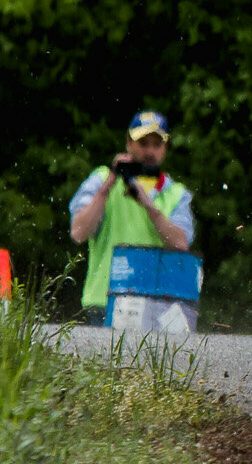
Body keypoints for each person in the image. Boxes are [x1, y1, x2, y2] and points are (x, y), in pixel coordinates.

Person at [68, 110, 195, 323]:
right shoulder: (102, 179)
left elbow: (181, 244)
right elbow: (78, 232)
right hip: (104, 304)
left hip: (157, 307)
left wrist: (148, 206)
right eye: (143, 143)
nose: (150, 151)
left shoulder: (176, 193)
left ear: (165, 148)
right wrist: (109, 184)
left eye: (157, 144)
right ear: (129, 143)